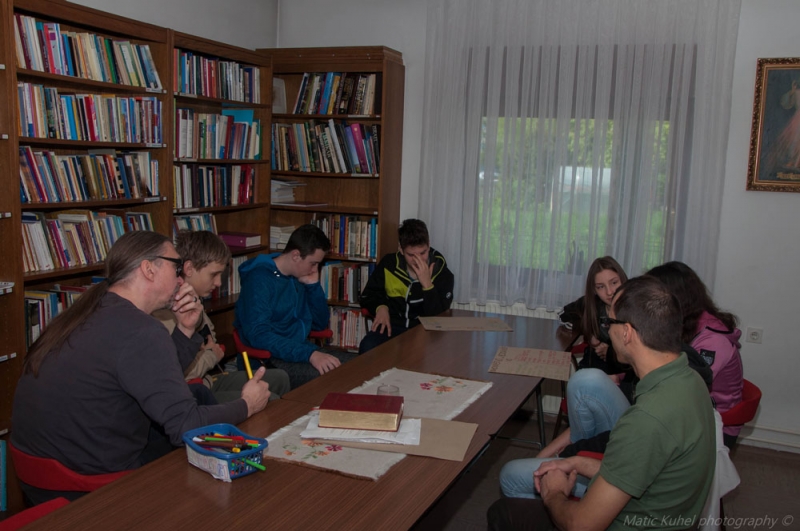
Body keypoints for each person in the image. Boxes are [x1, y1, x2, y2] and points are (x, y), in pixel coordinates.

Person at [11, 231, 271, 505]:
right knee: (216, 465)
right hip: (89, 483)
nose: (181, 279)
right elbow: (185, 426)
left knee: (196, 399)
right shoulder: (140, 330)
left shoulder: (89, 310)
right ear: (148, 269)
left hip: (40, 475)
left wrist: (185, 330)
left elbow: (151, 377)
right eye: (176, 267)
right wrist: (247, 404)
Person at [488, 276, 716, 530]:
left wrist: (554, 493)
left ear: (626, 333)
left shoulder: (647, 419)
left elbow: (581, 525)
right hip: (663, 510)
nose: (606, 331)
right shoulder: (690, 379)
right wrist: (577, 462)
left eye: (609, 322)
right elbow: (642, 470)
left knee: (502, 511)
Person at [154, 230, 290, 403]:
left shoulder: (195, 299)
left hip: (206, 380)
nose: (219, 283)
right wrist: (211, 355)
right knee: (269, 399)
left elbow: (210, 338)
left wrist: (208, 352)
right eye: (213, 275)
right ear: (189, 269)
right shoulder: (166, 312)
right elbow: (175, 370)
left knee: (280, 377)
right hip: (188, 393)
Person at [234, 224, 357, 389]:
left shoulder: (297, 275)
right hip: (269, 359)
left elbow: (319, 324)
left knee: (358, 365)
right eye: (313, 263)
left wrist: (313, 286)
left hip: (298, 350)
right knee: (335, 377)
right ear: (296, 255)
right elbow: (259, 335)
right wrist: (309, 354)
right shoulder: (259, 280)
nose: (315, 269)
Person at [647, 261, 744, 448]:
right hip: (690, 413)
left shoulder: (713, 340)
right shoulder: (685, 324)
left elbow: (683, 388)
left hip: (714, 426)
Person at [359, 219, 454, 353]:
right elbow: (368, 295)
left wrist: (427, 285)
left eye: (423, 253)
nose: (418, 260)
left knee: (428, 355)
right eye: (411, 255)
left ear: (429, 245)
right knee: (367, 346)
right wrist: (381, 307)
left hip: (424, 329)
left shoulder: (442, 273)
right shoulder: (389, 264)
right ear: (401, 250)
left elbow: (438, 318)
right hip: (392, 325)